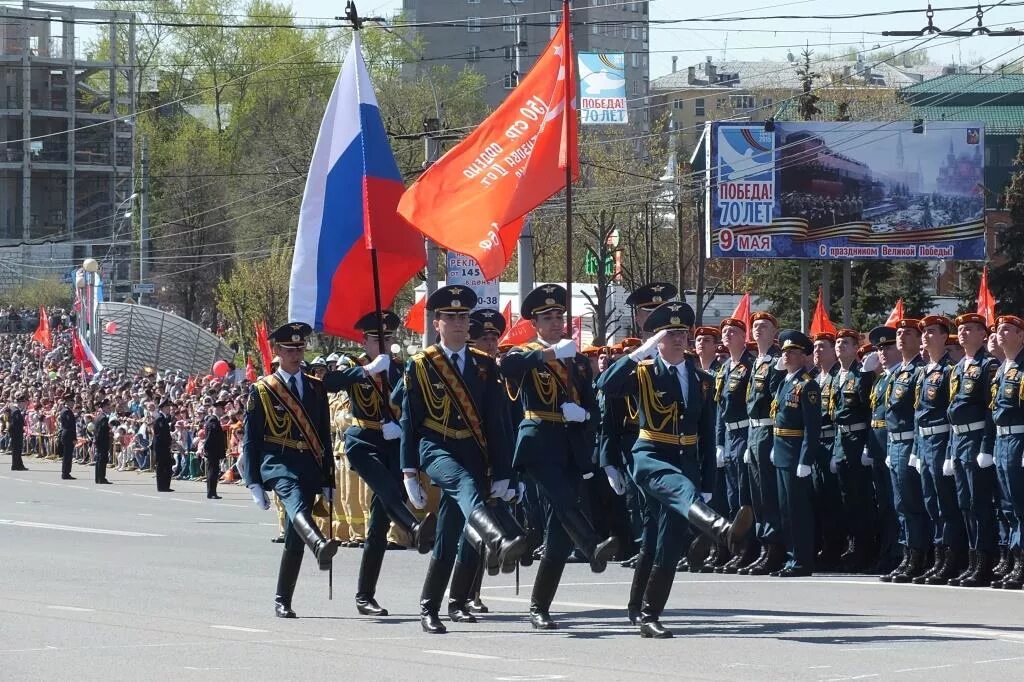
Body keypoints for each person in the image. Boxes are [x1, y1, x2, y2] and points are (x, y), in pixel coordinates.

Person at [598, 301, 752, 637]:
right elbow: (605, 385)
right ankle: (722, 530)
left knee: (662, 541)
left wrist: (708, 482)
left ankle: (645, 611)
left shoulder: (703, 378)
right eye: (671, 333)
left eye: (683, 332)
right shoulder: (643, 371)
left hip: (685, 460)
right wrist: (641, 351)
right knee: (679, 489)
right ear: (657, 339)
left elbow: (708, 432)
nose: (680, 338)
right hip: (650, 456)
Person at [398, 286, 528, 634]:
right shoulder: (421, 365)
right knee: (464, 484)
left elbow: (497, 422)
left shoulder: (485, 365)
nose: (458, 323)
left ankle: (439, 605)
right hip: (436, 448)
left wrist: (503, 473)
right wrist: (409, 471)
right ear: (437, 322)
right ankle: (497, 539)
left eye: (463, 317)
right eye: (450, 317)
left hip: (473, 450)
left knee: (450, 532)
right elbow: (410, 421)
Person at [502, 284, 619, 631]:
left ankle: (540, 605)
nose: (555, 323)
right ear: (535, 323)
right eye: (547, 318)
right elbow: (508, 367)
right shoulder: (525, 354)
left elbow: (593, 409)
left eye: (559, 317)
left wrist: (582, 415)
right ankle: (593, 544)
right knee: (566, 500)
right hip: (538, 444)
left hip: (569, 446)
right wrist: (548, 355)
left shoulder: (579, 361)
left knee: (558, 532)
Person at [323, 309, 437, 619]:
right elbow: (325, 383)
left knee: (377, 525)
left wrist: (401, 425)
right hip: (361, 442)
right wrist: (366, 371)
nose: (385, 344)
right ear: (365, 341)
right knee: (388, 489)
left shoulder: (401, 369)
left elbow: (414, 402)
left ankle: (364, 595)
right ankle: (413, 528)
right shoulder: (355, 367)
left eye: (389, 338)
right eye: (378, 339)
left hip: (391, 443)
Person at [242, 322, 339, 619]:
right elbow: (252, 438)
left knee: (295, 539)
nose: (297, 354)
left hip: (308, 465)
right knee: (295, 502)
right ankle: (320, 543)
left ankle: (283, 599)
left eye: (300, 348)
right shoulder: (263, 390)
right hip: (279, 462)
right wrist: (253, 482)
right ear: (278, 352)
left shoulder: (315, 386)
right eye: (290, 349)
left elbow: (324, 436)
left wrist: (327, 478)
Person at [912, 316, 966, 585]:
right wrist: (915, 449)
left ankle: (951, 559)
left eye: (931, 332)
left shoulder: (950, 371)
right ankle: (938, 557)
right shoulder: (924, 371)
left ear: (945, 337)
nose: (925, 336)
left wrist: (947, 453)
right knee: (931, 503)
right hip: (924, 442)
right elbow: (918, 413)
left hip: (942, 441)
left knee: (946, 505)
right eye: (923, 332)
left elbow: (952, 415)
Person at [947, 312, 999, 587]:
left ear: (983, 335)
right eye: (962, 329)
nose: (964, 333)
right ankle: (972, 559)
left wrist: (986, 446)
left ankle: (984, 561)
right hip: (958, 441)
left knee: (980, 504)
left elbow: (992, 410)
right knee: (964, 504)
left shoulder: (988, 365)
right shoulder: (958, 368)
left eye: (971, 329)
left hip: (977, 438)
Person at [770, 330, 822, 577]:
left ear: (804, 356)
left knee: (798, 510)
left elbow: (812, 427)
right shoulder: (784, 381)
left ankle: (802, 560)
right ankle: (791, 557)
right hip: (781, 450)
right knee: (785, 509)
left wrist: (806, 459)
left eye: (793, 352)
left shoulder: (807, 385)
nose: (787, 355)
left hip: (795, 452)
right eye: (784, 352)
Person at [882, 318, 928, 583]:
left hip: (912, 441)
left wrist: (916, 449)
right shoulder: (899, 372)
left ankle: (919, 556)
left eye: (908, 333)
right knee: (900, 504)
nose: (901, 337)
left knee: (914, 502)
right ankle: (907, 554)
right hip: (895, 441)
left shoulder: (921, 371)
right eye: (899, 333)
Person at [742, 311, 786, 575]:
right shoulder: (756, 362)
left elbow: (776, 400)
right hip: (752, 432)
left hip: (768, 432)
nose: (758, 330)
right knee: (757, 495)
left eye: (764, 326)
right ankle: (763, 547)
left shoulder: (776, 362)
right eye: (755, 326)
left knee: (769, 495)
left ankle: (774, 549)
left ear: (774, 332)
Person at [829, 328, 877, 572]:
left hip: (858, 440)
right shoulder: (838, 375)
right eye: (838, 342)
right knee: (846, 499)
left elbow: (869, 412)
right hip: (842, 441)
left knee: (861, 499)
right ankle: (853, 545)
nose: (840, 346)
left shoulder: (862, 375)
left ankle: (865, 548)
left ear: (856, 348)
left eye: (846, 343)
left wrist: (868, 445)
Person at [714, 317, 759, 574]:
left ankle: (748, 550)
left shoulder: (750, 366)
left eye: (733, 332)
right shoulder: (725, 368)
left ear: (744, 337)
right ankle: (736, 548)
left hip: (745, 432)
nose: (727, 335)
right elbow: (721, 409)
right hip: (729, 436)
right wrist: (720, 442)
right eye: (725, 332)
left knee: (744, 497)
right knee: (732, 497)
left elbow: (754, 404)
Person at [991, 314, 1024, 590]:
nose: (1001, 334)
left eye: (1007, 330)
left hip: (1019, 440)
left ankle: (1021, 561)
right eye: (999, 330)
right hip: (1002, 441)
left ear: (1021, 336)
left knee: (1020, 503)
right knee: (1008, 505)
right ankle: (1015, 560)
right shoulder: (1004, 368)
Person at [866, 327, 901, 575]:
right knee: (885, 504)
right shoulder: (880, 379)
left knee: (899, 503)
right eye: (879, 349)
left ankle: (899, 553)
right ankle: (888, 551)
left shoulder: (902, 376)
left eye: (888, 347)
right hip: (879, 445)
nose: (883, 353)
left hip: (895, 442)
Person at [204, 400, 227, 499]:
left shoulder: (213, 420)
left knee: (213, 471)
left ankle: (212, 492)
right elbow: (210, 436)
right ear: (218, 409)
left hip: (213, 450)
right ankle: (211, 492)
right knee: (213, 471)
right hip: (213, 451)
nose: (223, 411)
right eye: (222, 409)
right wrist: (206, 448)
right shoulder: (213, 420)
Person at [153, 397, 174, 492]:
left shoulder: (164, 418)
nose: (169, 408)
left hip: (164, 446)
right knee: (162, 466)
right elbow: (161, 434)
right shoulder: (160, 419)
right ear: (162, 408)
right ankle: (161, 486)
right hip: (161, 447)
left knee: (167, 466)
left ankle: (165, 485)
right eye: (167, 407)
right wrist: (168, 442)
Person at [94, 398, 113, 485]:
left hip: (99, 441)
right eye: (108, 407)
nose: (109, 408)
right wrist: (109, 430)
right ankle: (101, 478)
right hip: (102, 441)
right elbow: (102, 431)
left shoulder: (98, 416)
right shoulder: (103, 418)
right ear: (104, 407)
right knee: (102, 460)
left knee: (99, 460)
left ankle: (98, 478)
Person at [58, 393, 76, 479]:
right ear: (68, 402)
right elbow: (70, 426)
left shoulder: (64, 410)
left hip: (66, 434)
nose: (73, 404)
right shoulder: (67, 411)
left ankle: (66, 472)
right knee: (67, 456)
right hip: (68, 435)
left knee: (67, 455)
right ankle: (65, 473)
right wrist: (74, 437)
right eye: (72, 402)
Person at [9, 393, 27, 471]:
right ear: (20, 402)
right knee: (17, 450)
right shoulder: (16, 411)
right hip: (16, 433)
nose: (24, 404)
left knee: (17, 450)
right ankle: (16, 465)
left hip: (15, 432)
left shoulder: (13, 408)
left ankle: (18, 465)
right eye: (23, 403)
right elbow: (16, 423)